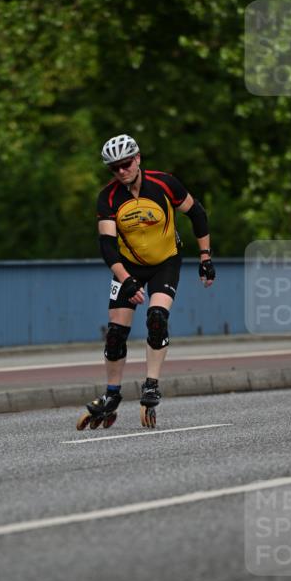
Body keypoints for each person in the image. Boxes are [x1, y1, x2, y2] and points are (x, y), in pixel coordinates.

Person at [77, 133, 215, 431]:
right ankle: (112, 395)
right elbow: (107, 246)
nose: (121, 171)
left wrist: (205, 257)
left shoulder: (165, 183)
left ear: (137, 159)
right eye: (114, 168)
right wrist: (126, 280)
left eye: (125, 164)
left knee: (156, 318)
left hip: (166, 262)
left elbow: (198, 213)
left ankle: (151, 385)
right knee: (115, 333)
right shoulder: (109, 197)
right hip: (128, 267)